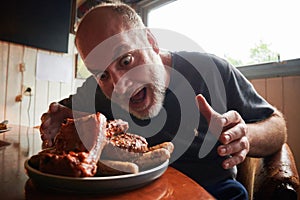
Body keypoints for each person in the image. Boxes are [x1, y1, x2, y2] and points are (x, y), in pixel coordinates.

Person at [40, 2, 287, 199]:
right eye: (103, 74)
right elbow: (61, 112)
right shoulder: (98, 91)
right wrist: (58, 118)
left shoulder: (212, 70)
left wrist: (245, 136)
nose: (120, 86)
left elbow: (277, 126)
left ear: (151, 41)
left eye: (126, 60)